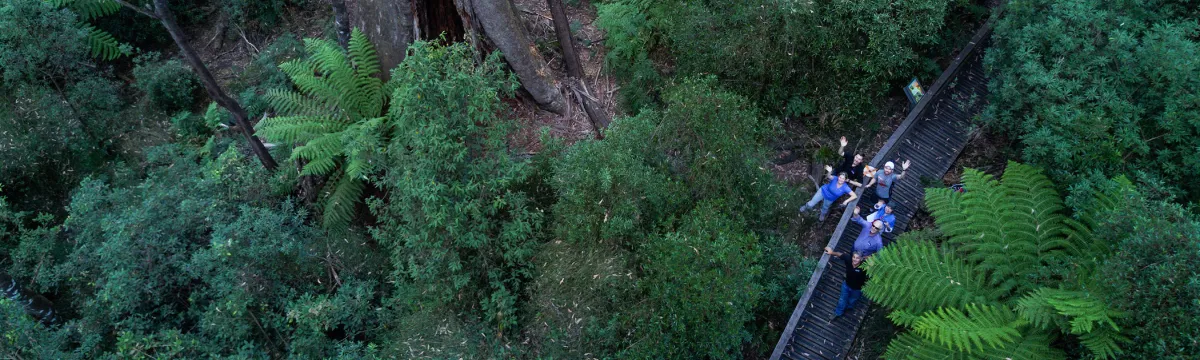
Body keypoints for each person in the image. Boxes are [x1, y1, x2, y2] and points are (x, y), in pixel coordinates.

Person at [824, 246, 867, 318]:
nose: (855, 260)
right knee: (842, 299)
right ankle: (838, 312)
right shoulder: (848, 259)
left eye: (857, 258)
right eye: (854, 257)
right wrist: (831, 252)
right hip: (847, 285)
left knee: (853, 300)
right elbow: (840, 254)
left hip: (857, 288)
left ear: (861, 259)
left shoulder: (865, 266)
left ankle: (849, 307)